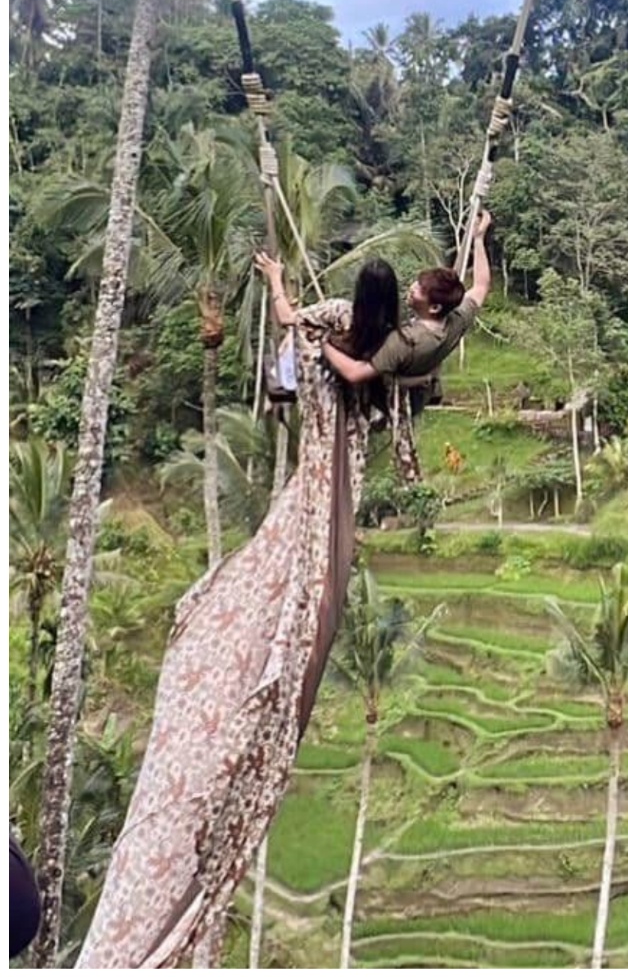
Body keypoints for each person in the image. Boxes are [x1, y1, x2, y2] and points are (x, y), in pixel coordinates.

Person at [80, 260, 396, 966]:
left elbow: (293, 325)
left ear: (357, 300)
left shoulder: (346, 345)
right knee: (292, 580)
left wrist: (279, 282)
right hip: (332, 480)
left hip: (320, 479)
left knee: (283, 582)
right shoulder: (392, 347)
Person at [309, 211, 494, 484]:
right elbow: (481, 285)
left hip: (394, 392)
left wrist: (322, 343)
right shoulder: (456, 320)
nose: (411, 288)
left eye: (418, 289)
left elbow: (356, 373)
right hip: (419, 384)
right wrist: (478, 239)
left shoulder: (405, 341)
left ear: (434, 307)